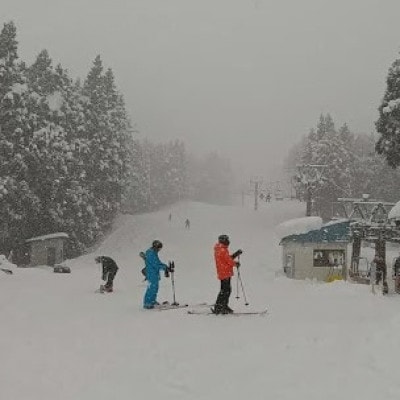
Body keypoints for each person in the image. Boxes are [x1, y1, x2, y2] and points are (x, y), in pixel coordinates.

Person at [212, 234, 242, 314]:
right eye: (227, 240)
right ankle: (219, 307)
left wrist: (236, 254)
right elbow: (228, 261)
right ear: (223, 241)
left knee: (225, 290)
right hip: (224, 272)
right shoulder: (222, 250)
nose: (228, 241)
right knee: (225, 290)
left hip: (224, 272)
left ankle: (222, 306)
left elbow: (228, 258)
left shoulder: (221, 249)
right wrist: (236, 264)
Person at [143, 240, 170, 309]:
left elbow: (158, 262)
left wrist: (165, 267)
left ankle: (152, 301)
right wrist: (164, 267)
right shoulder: (151, 254)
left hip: (154, 273)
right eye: (159, 248)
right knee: (151, 288)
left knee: (155, 288)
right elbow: (156, 264)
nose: (159, 250)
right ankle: (147, 302)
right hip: (151, 273)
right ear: (155, 247)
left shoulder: (153, 253)